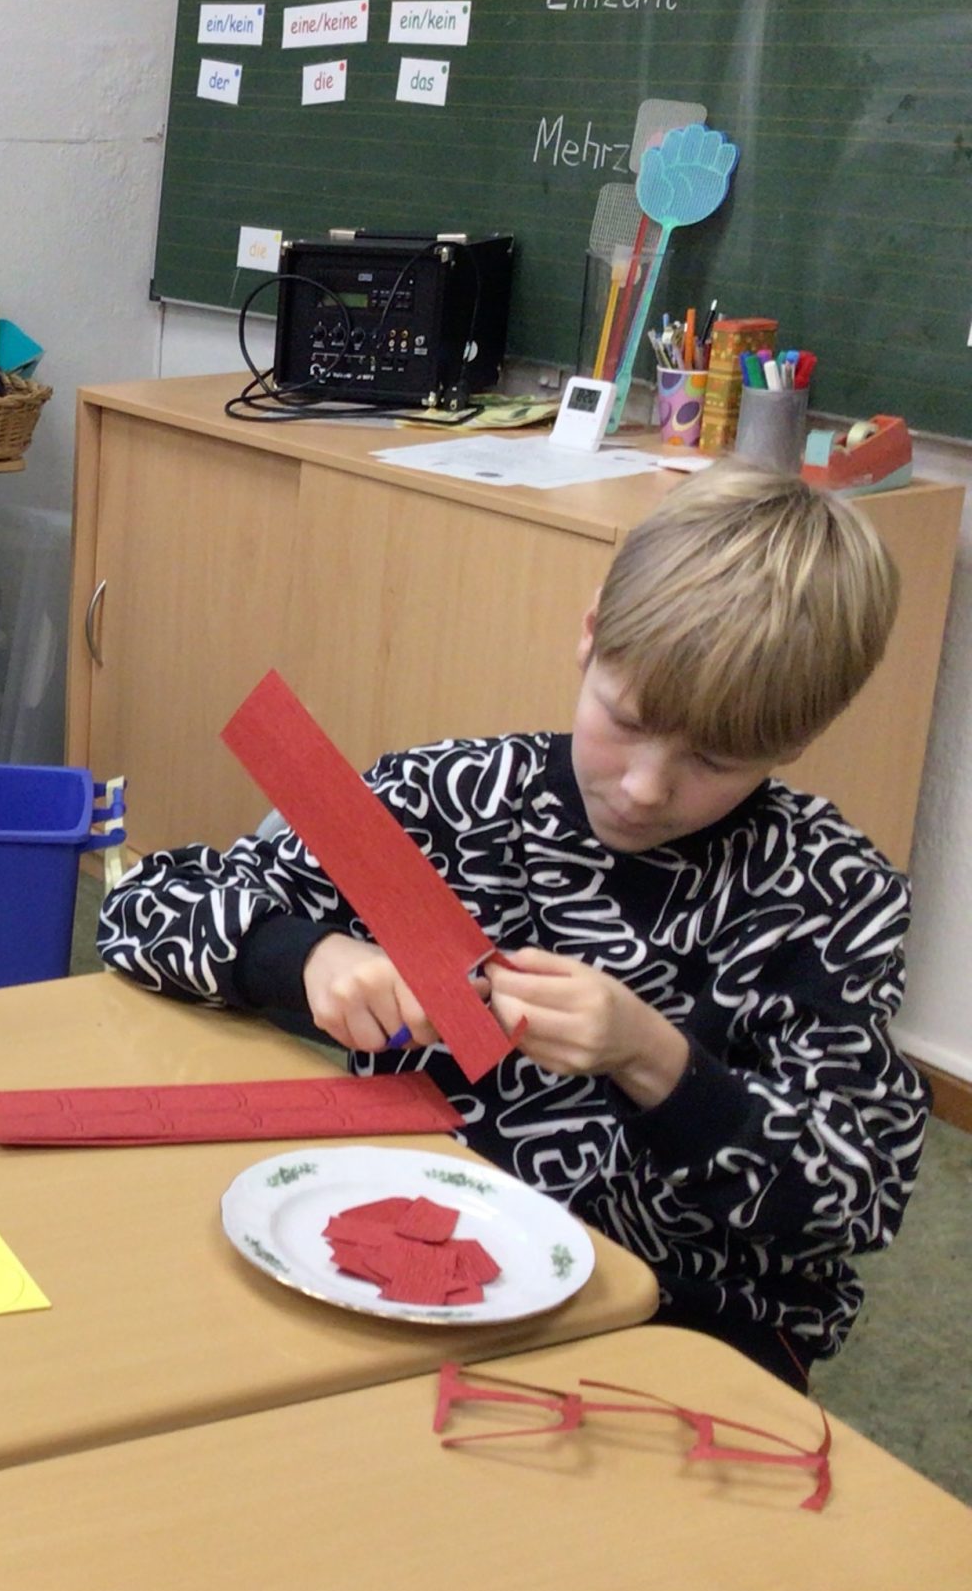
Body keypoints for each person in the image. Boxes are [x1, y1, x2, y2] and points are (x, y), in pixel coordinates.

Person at [98, 460, 925, 1386]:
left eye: (715, 760)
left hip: (680, 1318)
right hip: (411, 1268)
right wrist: (305, 957)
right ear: (590, 636)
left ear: (796, 742)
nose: (648, 787)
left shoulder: (830, 893)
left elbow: (851, 1196)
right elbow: (143, 906)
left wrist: (655, 1059)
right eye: (627, 718)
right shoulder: (452, 801)